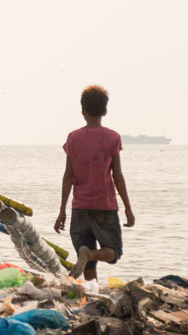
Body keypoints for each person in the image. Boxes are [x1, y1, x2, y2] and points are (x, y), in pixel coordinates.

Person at [53, 84, 136, 281]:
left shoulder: (73, 138)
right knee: (113, 252)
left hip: (80, 207)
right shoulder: (112, 138)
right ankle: (89, 254)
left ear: (83, 112)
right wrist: (128, 208)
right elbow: (117, 175)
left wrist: (62, 210)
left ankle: (91, 287)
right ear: (105, 111)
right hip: (104, 207)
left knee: (87, 260)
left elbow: (68, 176)